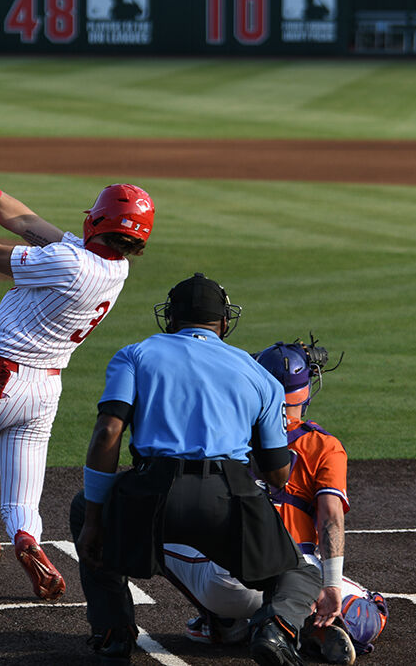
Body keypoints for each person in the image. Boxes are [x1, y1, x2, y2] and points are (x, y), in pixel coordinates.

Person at [70, 273, 322, 665]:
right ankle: (275, 629)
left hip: (150, 494)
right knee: (301, 571)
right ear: (223, 322)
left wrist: (95, 519)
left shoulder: (135, 355)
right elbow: (276, 475)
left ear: (170, 320)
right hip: (229, 498)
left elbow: (107, 433)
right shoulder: (259, 374)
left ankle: (113, 633)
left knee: (84, 506)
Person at [0, 160, 153, 602]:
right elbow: (29, 223)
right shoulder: (114, 267)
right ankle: (27, 539)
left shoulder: (71, 263)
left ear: (99, 220)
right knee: (22, 498)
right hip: (44, 390)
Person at [162, 338, 388, 665]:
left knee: (158, 534)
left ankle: (222, 623)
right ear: (307, 392)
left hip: (217, 577)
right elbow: (331, 517)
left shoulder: (225, 432)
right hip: (290, 579)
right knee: (372, 607)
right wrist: (331, 585)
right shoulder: (323, 445)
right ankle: (305, 622)